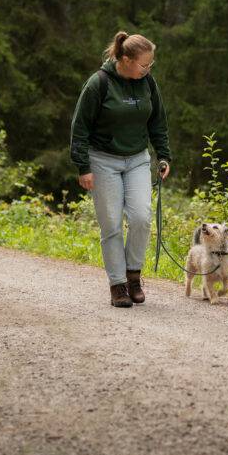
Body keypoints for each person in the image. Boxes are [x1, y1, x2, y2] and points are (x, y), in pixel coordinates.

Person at [69, 31, 172, 308]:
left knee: (141, 217)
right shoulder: (98, 84)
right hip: (103, 161)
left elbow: (157, 122)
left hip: (137, 159)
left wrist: (163, 155)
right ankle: (118, 285)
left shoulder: (147, 83)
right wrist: (83, 166)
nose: (148, 70)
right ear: (125, 59)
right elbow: (80, 128)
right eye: (144, 65)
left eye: (150, 65)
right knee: (111, 224)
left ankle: (133, 275)